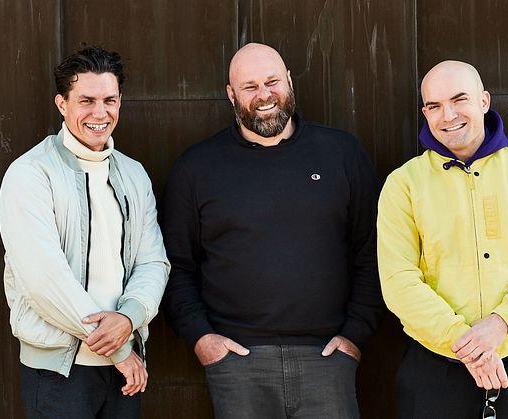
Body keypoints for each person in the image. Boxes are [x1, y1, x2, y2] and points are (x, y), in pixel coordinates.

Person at [161, 43, 383, 419]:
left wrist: (355, 336)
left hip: (327, 357)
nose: (264, 95)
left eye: (272, 82)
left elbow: (373, 252)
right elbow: (174, 265)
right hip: (236, 361)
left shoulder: (341, 153)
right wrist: (202, 339)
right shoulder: (197, 167)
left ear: (289, 82)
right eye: (249, 87)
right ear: (231, 95)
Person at [377, 60, 508, 419]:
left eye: (459, 99)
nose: (447, 115)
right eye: (434, 106)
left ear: (484, 101)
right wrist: (468, 345)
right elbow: (397, 281)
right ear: (425, 112)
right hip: (434, 368)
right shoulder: (404, 184)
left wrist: (499, 324)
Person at [0, 46, 170, 418]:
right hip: (59, 371)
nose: (99, 113)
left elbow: (153, 261)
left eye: (109, 100)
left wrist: (129, 319)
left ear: (120, 101)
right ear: (62, 104)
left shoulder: (134, 175)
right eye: (86, 100)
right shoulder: (30, 175)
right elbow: (45, 281)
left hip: (124, 372)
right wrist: (121, 351)